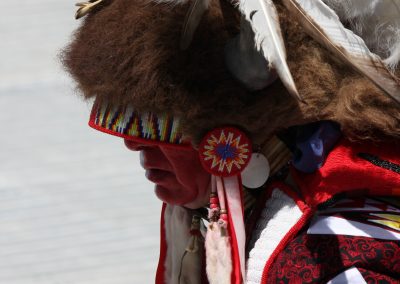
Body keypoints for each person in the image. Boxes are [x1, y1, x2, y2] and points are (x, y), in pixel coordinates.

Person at [63, 0, 400, 283]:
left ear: (244, 138)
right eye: (123, 120)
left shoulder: (331, 257)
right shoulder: (214, 213)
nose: (133, 145)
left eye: (159, 126)